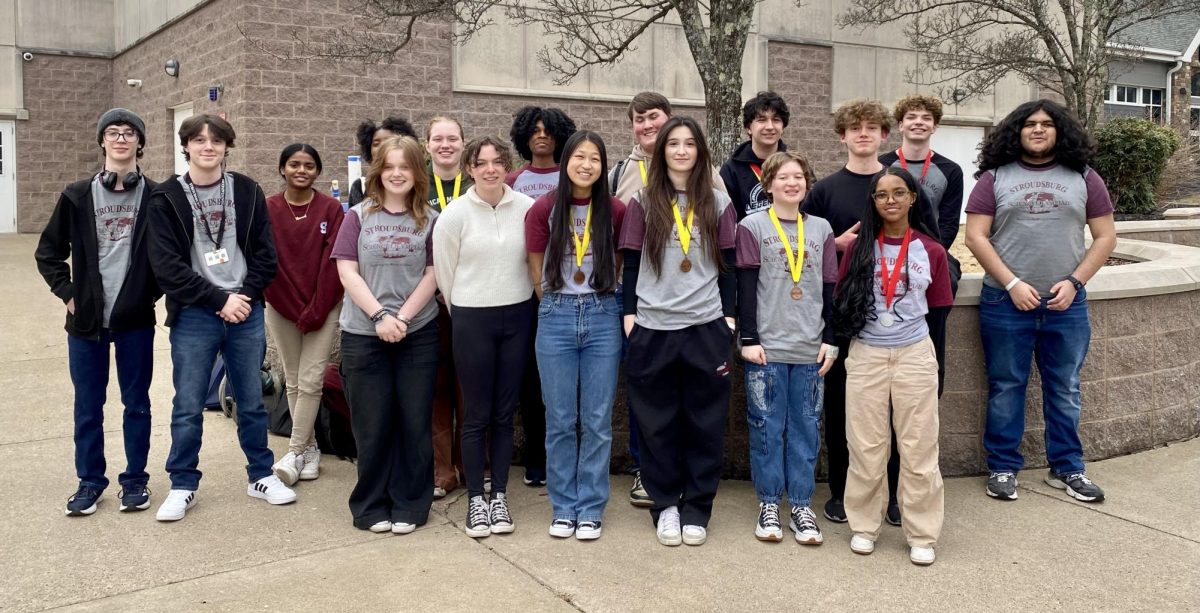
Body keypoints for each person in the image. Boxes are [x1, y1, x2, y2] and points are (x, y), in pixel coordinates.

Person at [965, 99, 1116, 504]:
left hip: (1066, 304)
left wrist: (1075, 282)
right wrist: (1012, 282)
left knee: (1065, 387)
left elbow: (1105, 237)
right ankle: (1002, 467)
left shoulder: (1084, 177)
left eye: (1046, 124)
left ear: (1059, 131)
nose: (1037, 130)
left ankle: (1067, 468)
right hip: (1005, 302)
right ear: (1016, 131)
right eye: (1029, 124)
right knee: (1006, 386)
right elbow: (975, 236)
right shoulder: (993, 178)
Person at [147, 114, 292, 522]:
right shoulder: (166, 197)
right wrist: (218, 300)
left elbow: (266, 255)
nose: (207, 146)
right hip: (195, 314)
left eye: (216, 140)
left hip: (245, 311)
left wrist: (243, 297)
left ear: (227, 146)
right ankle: (183, 484)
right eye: (198, 140)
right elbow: (167, 268)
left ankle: (261, 475)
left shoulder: (246, 191)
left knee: (250, 399)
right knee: (188, 403)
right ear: (186, 146)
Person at [803, 99, 936, 526]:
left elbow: (931, 248)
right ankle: (845, 494)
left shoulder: (898, 182)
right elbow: (806, 252)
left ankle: (896, 499)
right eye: (854, 128)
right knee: (850, 416)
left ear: (885, 135)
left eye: (872, 128)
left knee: (902, 424)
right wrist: (835, 246)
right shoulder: (824, 190)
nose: (863, 134)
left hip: (904, 335)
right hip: (846, 322)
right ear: (842, 135)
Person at [619, 116, 737, 547]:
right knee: (657, 423)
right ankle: (666, 504)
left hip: (705, 326)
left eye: (690, 144)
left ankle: (697, 509)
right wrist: (630, 314)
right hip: (654, 326)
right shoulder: (642, 201)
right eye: (674, 144)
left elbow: (728, 266)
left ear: (700, 151)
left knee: (704, 423)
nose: (682, 151)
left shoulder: (719, 202)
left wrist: (728, 318)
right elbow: (630, 263)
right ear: (662, 150)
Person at [35, 108, 160, 516]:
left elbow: (173, 256)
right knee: (88, 406)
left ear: (140, 143)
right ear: (102, 142)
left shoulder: (157, 196)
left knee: (136, 403)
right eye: (113, 132)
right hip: (86, 323)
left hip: (135, 323)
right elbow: (48, 253)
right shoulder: (77, 195)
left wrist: (146, 295)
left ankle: (136, 481)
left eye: (129, 133)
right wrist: (69, 294)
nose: (121, 139)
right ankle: (90, 482)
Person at [833, 167, 952, 566]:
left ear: (913, 197)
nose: (890, 201)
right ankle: (864, 526)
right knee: (866, 445)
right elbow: (843, 302)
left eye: (898, 193)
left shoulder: (931, 250)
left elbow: (938, 313)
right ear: (874, 201)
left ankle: (922, 533)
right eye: (881, 195)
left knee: (919, 446)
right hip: (866, 353)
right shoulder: (859, 248)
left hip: (913, 353)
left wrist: (931, 364)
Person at [332, 136, 440, 533]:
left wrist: (403, 319)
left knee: (414, 422)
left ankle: (411, 504)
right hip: (363, 333)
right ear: (379, 171)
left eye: (406, 166)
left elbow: (433, 275)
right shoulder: (357, 217)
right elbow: (347, 270)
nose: (398, 174)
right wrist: (379, 315)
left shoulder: (431, 219)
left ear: (417, 173)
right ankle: (370, 505)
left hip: (418, 333)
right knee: (372, 423)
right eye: (390, 166)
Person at [526, 131, 627, 540]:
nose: (586, 164)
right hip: (556, 313)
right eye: (579, 157)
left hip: (604, 313)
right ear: (566, 160)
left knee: (598, 420)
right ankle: (563, 506)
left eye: (595, 159)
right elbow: (536, 269)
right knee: (561, 419)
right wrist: (554, 302)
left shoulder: (616, 210)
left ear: (603, 167)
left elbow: (620, 261)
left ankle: (591, 507)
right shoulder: (544, 208)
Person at [433, 136, 536, 538]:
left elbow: (534, 262)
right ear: (469, 168)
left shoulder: (527, 209)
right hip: (472, 318)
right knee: (476, 414)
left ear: (507, 166)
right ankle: (477, 498)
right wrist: (465, 312)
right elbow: (444, 274)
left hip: (518, 315)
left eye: (497, 162)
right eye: (481, 163)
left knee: (504, 414)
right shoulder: (454, 216)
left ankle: (500, 496)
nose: (490, 169)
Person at [735, 151, 837, 544]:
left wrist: (830, 340)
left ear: (807, 184)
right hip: (767, 346)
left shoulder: (823, 229)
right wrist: (748, 339)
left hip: (811, 348)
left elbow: (829, 286)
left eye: (799, 177)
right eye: (783, 177)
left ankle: (801, 505)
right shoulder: (752, 226)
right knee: (765, 427)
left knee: (806, 428)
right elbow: (745, 288)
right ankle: (768, 504)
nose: (791, 183)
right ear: (769, 184)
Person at [505, 106, 578, 487]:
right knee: (531, 381)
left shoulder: (577, 176)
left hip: (571, 288)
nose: (541, 136)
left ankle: (565, 458)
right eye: (533, 130)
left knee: (566, 382)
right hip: (523, 290)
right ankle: (536, 458)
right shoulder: (512, 179)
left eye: (548, 130)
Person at [264, 143, 344, 485]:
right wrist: (289, 305)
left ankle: (295, 450)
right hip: (280, 306)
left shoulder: (331, 209)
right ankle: (309, 450)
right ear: (282, 168)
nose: (301, 170)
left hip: (323, 308)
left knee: (311, 380)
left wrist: (316, 308)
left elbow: (334, 264)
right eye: (294, 164)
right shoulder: (267, 208)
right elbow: (265, 260)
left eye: (309, 165)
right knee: (294, 380)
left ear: (318, 171)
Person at [424, 115, 473, 499]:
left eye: (452, 138)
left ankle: (473, 462)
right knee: (437, 385)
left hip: (472, 299)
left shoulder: (477, 183)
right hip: (427, 301)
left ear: (462, 143)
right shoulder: (414, 184)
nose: (445, 145)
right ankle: (442, 469)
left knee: (470, 385)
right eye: (437, 139)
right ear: (427, 145)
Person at [720, 91, 791, 219]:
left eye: (776, 120)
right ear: (748, 128)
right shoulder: (731, 170)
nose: (770, 126)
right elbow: (726, 218)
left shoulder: (794, 166)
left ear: (783, 127)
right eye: (762, 120)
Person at [506, 106, 578, 200]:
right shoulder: (512, 180)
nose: (542, 135)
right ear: (526, 139)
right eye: (536, 131)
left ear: (557, 139)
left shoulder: (570, 177)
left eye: (548, 132)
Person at [348, 116, 418, 208]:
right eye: (376, 144)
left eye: (389, 141)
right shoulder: (360, 187)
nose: (382, 147)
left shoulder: (414, 181)